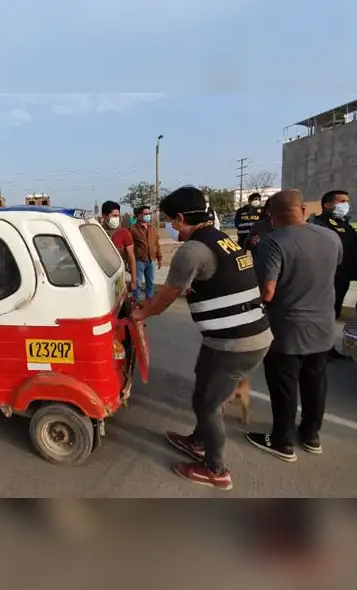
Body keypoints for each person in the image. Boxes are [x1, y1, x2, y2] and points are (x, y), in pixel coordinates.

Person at [132, 186, 272, 491]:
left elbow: (165, 297)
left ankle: (216, 469)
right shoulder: (222, 239)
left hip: (235, 342)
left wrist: (141, 314)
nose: (169, 226)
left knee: (208, 403)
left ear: (180, 218)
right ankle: (198, 440)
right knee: (204, 387)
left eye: (169, 220)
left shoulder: (192, 250)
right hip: (240, 335)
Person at [245, 190, 341, 462]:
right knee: (315, 382)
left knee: (284, 385)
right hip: (322, 327)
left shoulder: (273, 242)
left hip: (287, 330)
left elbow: (267, 291)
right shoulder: (330, 237)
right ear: (303, 209)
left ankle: (281, 441)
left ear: (271, 215)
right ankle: (311, 436)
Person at [308, 190, 357, 323]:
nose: (346, 205)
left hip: (344, 276)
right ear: (327, 205)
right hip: (326, 277)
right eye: (342, 201)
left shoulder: (346, 226)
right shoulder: (318, 224)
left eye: (347, 202)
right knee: (320, 313)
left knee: (335, 311)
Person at [101, 200, 138, 293]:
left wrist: (134, 279)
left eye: (118, 216)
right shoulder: (98, 231)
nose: (117, 218)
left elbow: (131, 257)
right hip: (102, 277)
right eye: (114, 216)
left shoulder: (124, 233)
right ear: (104, 216)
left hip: (119, 276)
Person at [129, 204, 163, 301]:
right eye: (145, 213)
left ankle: (149, 304)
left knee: (150, 283)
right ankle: (136, 304)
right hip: (138, 261)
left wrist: (159, 258)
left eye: (149, 213)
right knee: (138, 284)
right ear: (139, 215)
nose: (148, 215)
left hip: (150, 260)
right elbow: (129, 247)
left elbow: (157, 244)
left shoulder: (153, 229)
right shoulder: (132, 229)